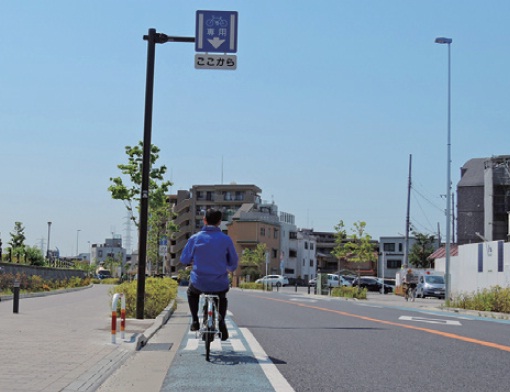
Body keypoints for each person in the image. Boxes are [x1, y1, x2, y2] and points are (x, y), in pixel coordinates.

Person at [180, 208, 238, 340]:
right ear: (219, 222)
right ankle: (221, 322)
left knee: (191, 293)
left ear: (204, 220)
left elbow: (184, 259)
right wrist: (228, 268)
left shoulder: (195, 238)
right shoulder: (226, 240)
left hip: (199, 282)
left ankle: (195, 320)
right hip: (219, 281)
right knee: (222, 296)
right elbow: (233, 262)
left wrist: (191, 262)